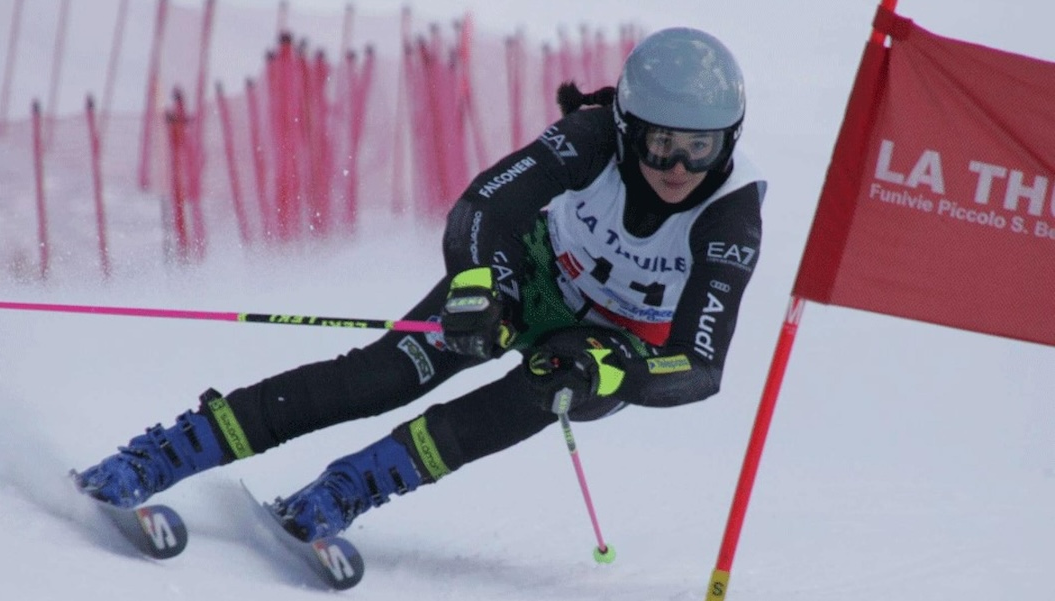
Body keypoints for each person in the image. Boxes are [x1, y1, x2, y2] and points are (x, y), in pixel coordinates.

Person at [76, 26, 765, 543]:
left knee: (528, 391)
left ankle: (344, 490)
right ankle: (172, 449)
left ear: (726, 143)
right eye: (660, 142)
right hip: (531, 272)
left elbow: (700, 365)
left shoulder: (729, 215)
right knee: (382, 375)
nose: (678, 165)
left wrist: (615, 372)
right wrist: (480, 285)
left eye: (700, 147)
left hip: (608, 345)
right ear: (627, 127)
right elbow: (485, 206)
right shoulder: (589, 139)